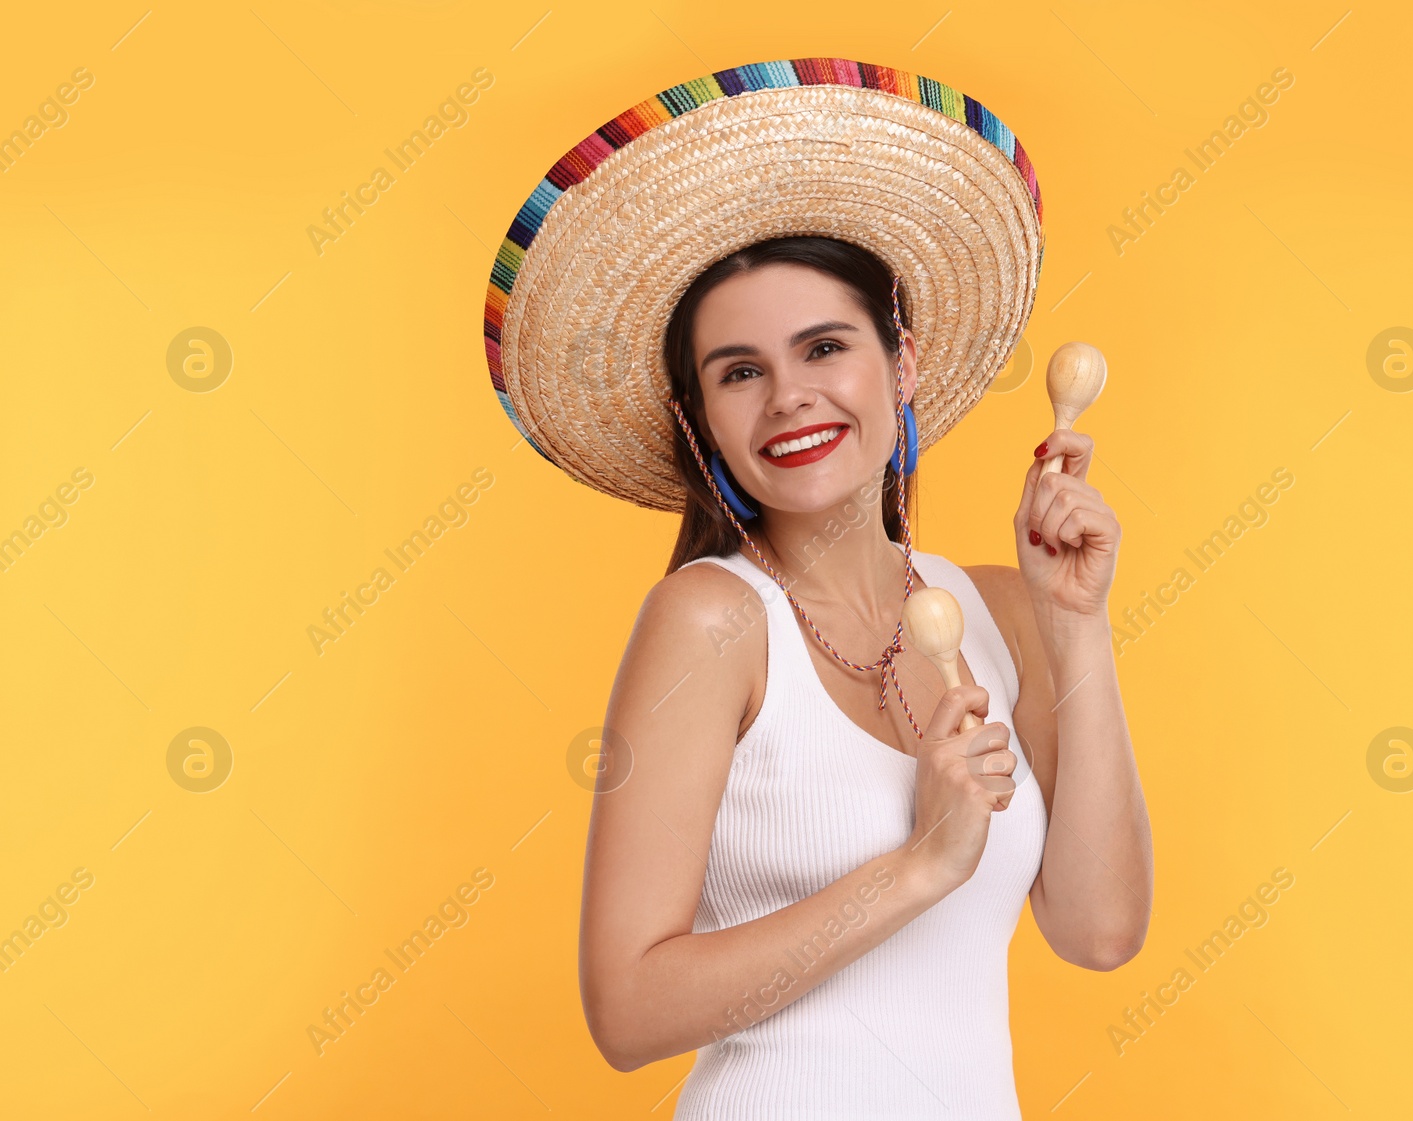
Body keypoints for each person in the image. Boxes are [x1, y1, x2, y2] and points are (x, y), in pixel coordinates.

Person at [483, 58, 1152, 1120]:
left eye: (825, 346)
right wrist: (920, 865)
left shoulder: (1003, 610)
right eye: (739, 370)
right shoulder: (711, 619)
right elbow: (627, 1008)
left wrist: (1076, 627)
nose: (788, 395)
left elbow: (1099, 929)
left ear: (905, 363)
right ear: (701, 417)